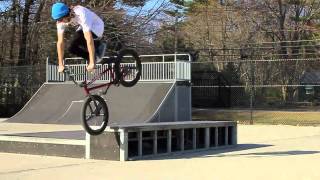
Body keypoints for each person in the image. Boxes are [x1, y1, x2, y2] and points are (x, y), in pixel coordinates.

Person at [51, 2, 106, 72]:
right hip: (82, 27)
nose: (62, 22)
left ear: (68, 14)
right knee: (71, 48)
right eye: (59, 20)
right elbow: (60, 43)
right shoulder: (60, 22)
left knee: (84, 39)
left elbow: (88, 38)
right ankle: (93, 56)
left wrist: (92, 63)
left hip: (97, 26)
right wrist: (60, 64)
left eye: (62, 19)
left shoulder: (80, 13)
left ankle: (98, 47)